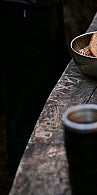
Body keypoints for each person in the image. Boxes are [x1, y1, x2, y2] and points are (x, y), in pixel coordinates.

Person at [0, 0, 70, 176]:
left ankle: (46, 167)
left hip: (42, 9)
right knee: (24, 109)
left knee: (48, 91)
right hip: (25, 11)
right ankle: (24, 181)